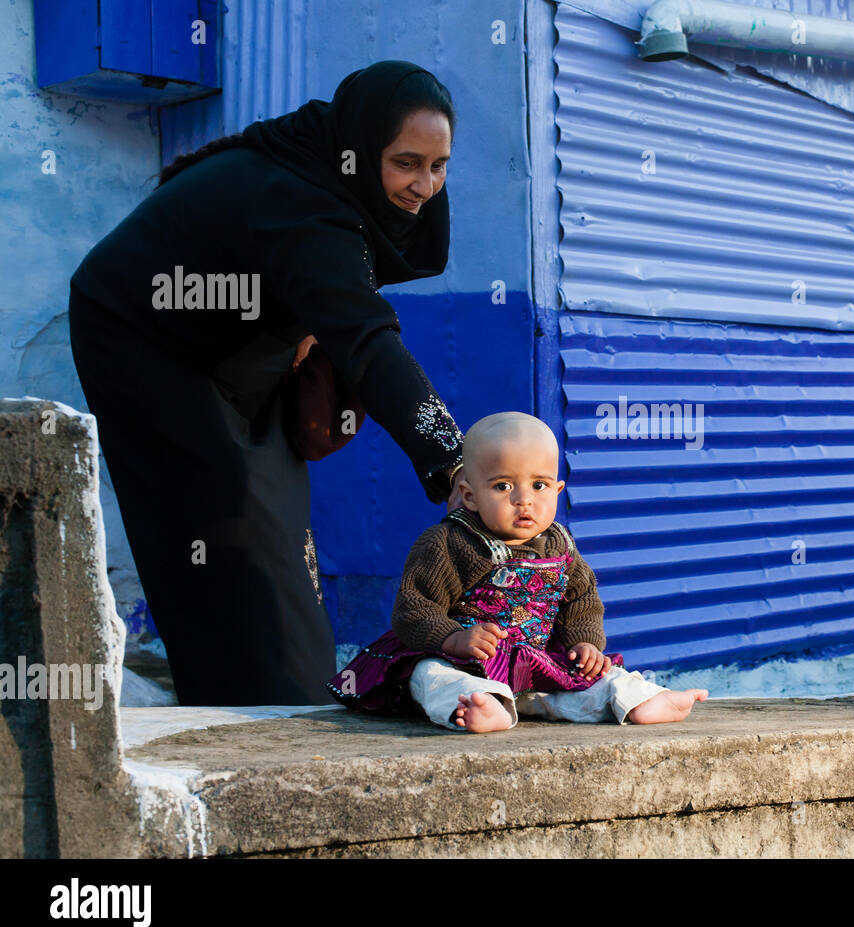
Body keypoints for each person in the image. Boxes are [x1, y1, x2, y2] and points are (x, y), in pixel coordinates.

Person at [67, 61, 466, 706]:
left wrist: (300, 315)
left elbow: (333, 290)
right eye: (406, 163)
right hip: (141, 337)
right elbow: (368, 340)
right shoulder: (303, 203)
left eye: (439, 165)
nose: (424, 186)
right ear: (359, 152)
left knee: (279, 525)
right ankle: (244, 711)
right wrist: (452, 457)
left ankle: (293, 694)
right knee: (226, 522)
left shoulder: (330, 168)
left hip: (234, 337)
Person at [328, 412, 708, 731]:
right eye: (503, 485)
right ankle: (485, 706)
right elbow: (414, 607)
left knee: (591, 679)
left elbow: (581, 601)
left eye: (539, 485)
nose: (523, 499)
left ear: (558, 491)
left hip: (534, 661)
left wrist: (584, 643)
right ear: (470, 493)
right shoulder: (450, 542)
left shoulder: (560, 546)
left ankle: (637, 700)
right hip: (467, 660)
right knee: (429, 676)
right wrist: (452, 639)